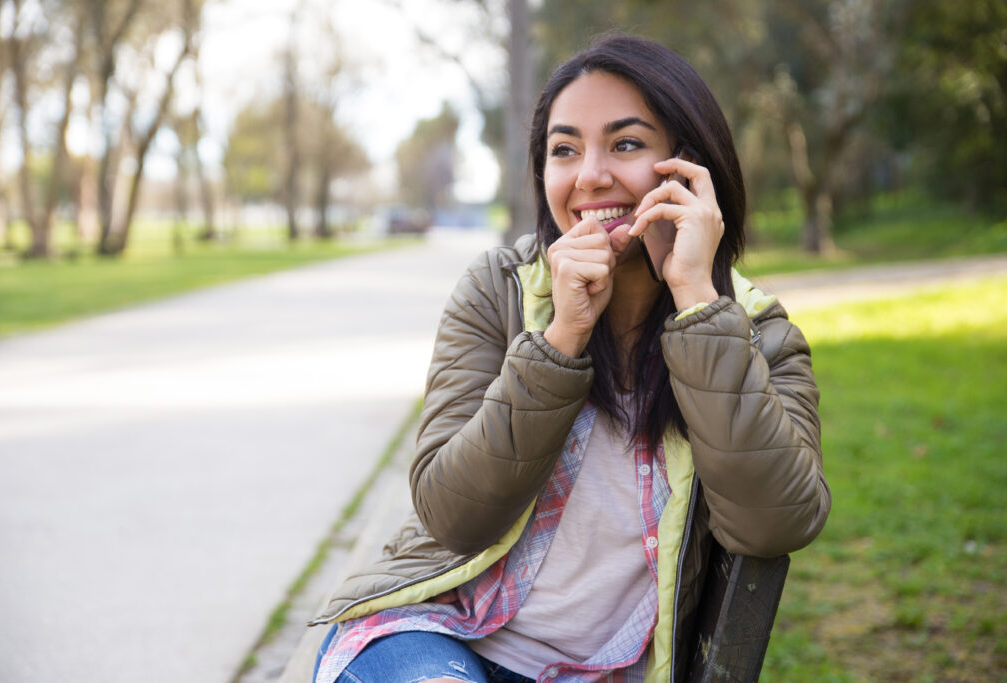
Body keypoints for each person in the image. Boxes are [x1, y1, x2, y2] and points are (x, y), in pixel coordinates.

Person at [310, 34, 830, 683]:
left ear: (689, 168)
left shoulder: (759, 334)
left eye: (626, 143)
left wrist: (697, 301)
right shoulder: (497, 291)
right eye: (564, 150)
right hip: (441, 638)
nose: (589, 175)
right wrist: (561, 339)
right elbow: (451, 514)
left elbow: (774, 522)